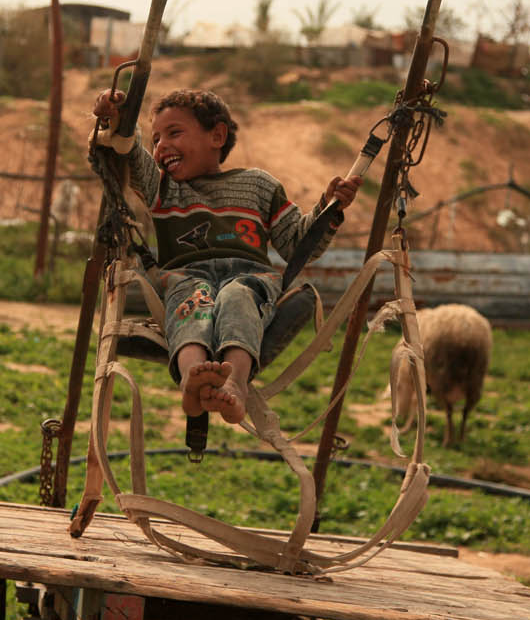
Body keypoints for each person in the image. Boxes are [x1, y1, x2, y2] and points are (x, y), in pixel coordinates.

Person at [91, 86, 362, 425]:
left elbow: (297, 245)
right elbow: (127, 148)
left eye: (174, 133)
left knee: (237, 298)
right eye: (156, 139)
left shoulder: (259, 186)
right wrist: (114, 117)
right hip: (186, 276)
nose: (161, 147)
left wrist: (328, 208)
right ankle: (192, 379)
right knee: (193, 303)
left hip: (248, 276)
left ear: (217, 136)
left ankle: (235, 383)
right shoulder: (162, 188)